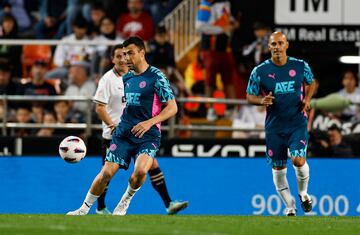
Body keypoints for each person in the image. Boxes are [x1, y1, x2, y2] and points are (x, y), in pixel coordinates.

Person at [67, 38, 188, 216]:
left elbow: (172, 107)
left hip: (148, 135)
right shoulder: (128, 77)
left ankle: (125, 201)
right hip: (124, 133)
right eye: (124, 54)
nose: (126, 58)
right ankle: (83, 209)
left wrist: (149, 122)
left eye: (130, 53)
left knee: (140, 171)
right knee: (106, 173)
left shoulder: (157, 77)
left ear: (141, 53)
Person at [246, 31, 317, 216]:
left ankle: (303, 194)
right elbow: (249, 95)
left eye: (280, 43)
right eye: (273, 44)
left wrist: (307, 99)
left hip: (296, 123)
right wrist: (261, 101)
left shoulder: (300, 66)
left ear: (287, 45)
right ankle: (290, 205)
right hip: (274, 127)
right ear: (269, 47)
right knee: (278, 167)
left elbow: (312, 82)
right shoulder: (260, 71)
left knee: (298, 159)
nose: (277, 47)